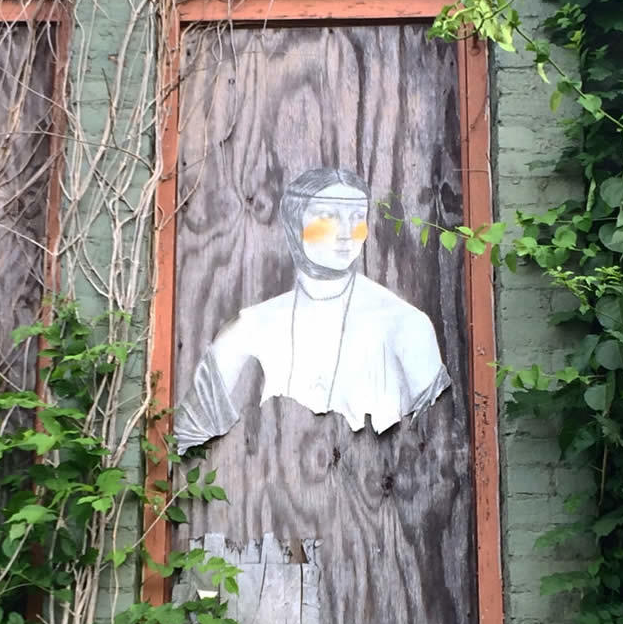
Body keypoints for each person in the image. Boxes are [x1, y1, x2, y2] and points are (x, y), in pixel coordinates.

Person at [175, 167, 450, 453]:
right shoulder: (247, 329)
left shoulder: (406, 325)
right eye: (328, 217)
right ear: (295, 223)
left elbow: (436, 446)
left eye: (357, 217)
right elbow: (186, 441)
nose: (346, 233)